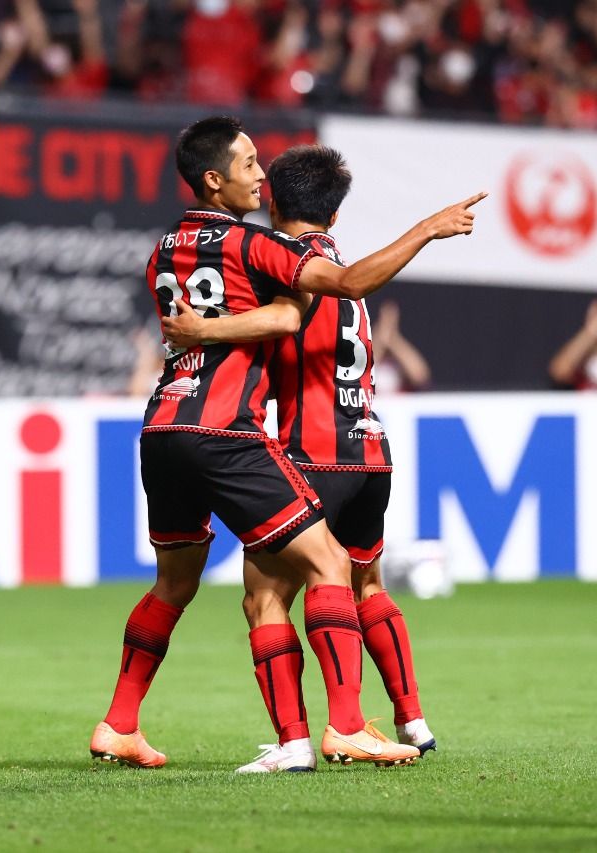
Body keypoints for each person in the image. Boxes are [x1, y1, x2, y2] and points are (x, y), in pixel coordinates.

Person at [89, 115, 483, 770]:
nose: (260, 173)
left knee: (174, 583)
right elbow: (344, 283)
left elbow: (265, 316)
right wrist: (428, 227)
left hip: (163, 426)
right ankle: (350, 726)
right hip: (230, 433)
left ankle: (119, 723)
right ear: (215, 181)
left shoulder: (163, 250)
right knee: (333, 566)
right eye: (248, 163)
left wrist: (225, 328)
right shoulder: (254, 246)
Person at [161, 144, 436, 774]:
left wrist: (201, 331)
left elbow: (282, 323)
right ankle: (411, 719)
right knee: (366, 583)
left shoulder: (285, 265)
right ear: (334, 218)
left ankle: (302, 740)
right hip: (369, 449)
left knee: (265, 599)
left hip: (310, 455)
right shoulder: (345, 260)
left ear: (274, 204)